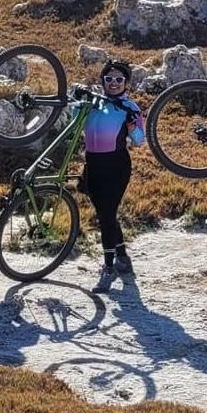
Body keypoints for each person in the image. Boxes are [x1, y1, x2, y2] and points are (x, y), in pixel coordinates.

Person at [82, 60, 145, 283]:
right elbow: (74, 121)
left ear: (126, 83)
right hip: (92, 164)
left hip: (116, 166)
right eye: (109, 79)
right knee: (105, 214)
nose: (114, 83)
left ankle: (108, 267)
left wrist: (132, 128)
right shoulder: (93, 103)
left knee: (107, 215)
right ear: (103, 82)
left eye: (119, 79)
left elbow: (139, 140)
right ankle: (122, 257)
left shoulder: (130, 108)